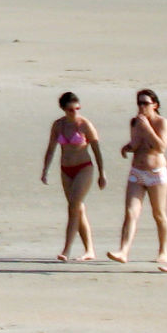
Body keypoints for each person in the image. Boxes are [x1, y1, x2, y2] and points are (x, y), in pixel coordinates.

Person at [107, 87, 167, 268]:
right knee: (131, 212)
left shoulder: (162, 123)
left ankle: (163, 250)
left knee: (159, 214)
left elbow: (160, 148)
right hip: (137, 171)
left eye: (145, 103)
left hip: (156, 173)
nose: (141, 106)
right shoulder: (135, 122)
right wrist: (128, 147)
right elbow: (137, 144)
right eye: (139, 103)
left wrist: (147, 128)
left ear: (155, 105)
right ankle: (123, 251)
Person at [40, 91, 105, 260]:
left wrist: (102, 173)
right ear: (63, 109)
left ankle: (67, 249)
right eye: (70, 109)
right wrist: (45, 170)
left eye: (77, 108)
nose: (74, 112)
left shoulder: (85, 125)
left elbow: (97, 150)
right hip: (66, 170)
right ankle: (89, 250)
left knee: (73, 206)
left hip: (84, 168)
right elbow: (51, 148)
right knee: (77, 208)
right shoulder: (58, 125)